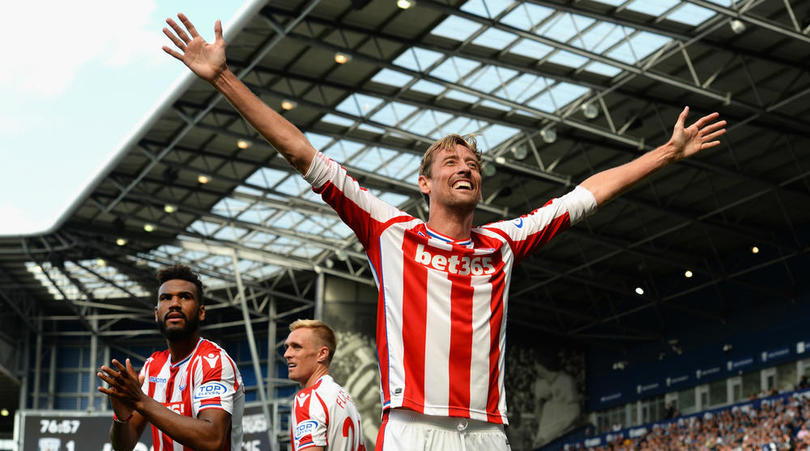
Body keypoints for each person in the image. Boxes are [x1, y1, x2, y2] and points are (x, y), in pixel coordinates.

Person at [162, 13, 726, 451]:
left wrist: (668, 153)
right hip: (411, 427)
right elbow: (300, 150)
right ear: (424, 183)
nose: (466, 168)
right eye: (451, 162)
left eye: (473, 164)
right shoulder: (390, 231)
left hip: (486, 432)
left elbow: (590, 193)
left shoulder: (504, 242)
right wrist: (224, 78)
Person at [97, 264, 244, 451]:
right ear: (157, 314)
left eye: (185, 296)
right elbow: (124, 446)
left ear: (201, 312)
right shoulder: (153, 367)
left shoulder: (214, 361)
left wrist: (140, 400)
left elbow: (212, 439)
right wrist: (121, 418)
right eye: (166, 298)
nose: (174, 303)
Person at [284, 319, 366, 451]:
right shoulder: (347, 399)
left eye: (297, 347)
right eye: (286, 347)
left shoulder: (308, 398)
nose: (287, 354)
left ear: (322, 354)